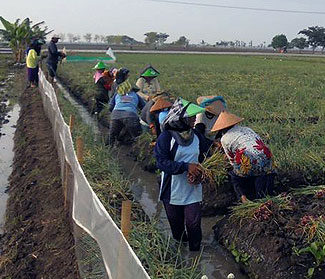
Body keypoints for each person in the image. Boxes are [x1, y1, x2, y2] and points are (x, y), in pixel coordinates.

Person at [154, 99, 210, 251]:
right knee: (177, 229)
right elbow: (161, 162)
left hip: (193, 187)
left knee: (193, 224)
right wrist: (186, 167)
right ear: (182, 118)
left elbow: (206, 154)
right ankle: (181, 257)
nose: (194, 120)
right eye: (191, 117)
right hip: (172, 189)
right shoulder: (166, 137)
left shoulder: (197, 135)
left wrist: (203, 170)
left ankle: (195, 256)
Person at [211, 111, 275, 203]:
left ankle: (242, 197)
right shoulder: (247, 129)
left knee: (233, 175)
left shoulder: (224, 139)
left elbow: (232, 161)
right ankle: (264, 197)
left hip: (249, 160)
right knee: (262, 174)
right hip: (267, 157)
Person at [107, 68, 146, 145]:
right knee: (136, 136)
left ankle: (109, 150)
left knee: (111, 137)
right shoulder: (136, 95)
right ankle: (134, 149)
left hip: (115, 115)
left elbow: (110, 107)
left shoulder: (117, 94)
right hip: (130, 115)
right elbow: (144, 107)